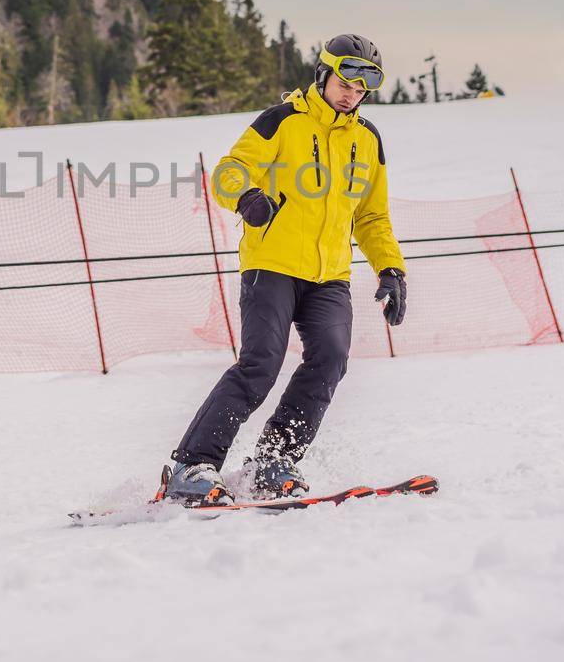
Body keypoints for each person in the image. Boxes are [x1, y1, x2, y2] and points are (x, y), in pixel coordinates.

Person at [165, 33, 408, 504]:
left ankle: (274, 459)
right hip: (271, 265)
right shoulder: (282, 122)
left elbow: (372, 216)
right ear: (324, 74)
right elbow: (229, 169)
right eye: (345, 82)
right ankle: (192, 465)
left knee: (331, 359)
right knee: (261, 363)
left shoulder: (367, 139)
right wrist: (247, 196)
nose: (352, 93)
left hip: (330, 275)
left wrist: (391, 270)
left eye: (362, 89)